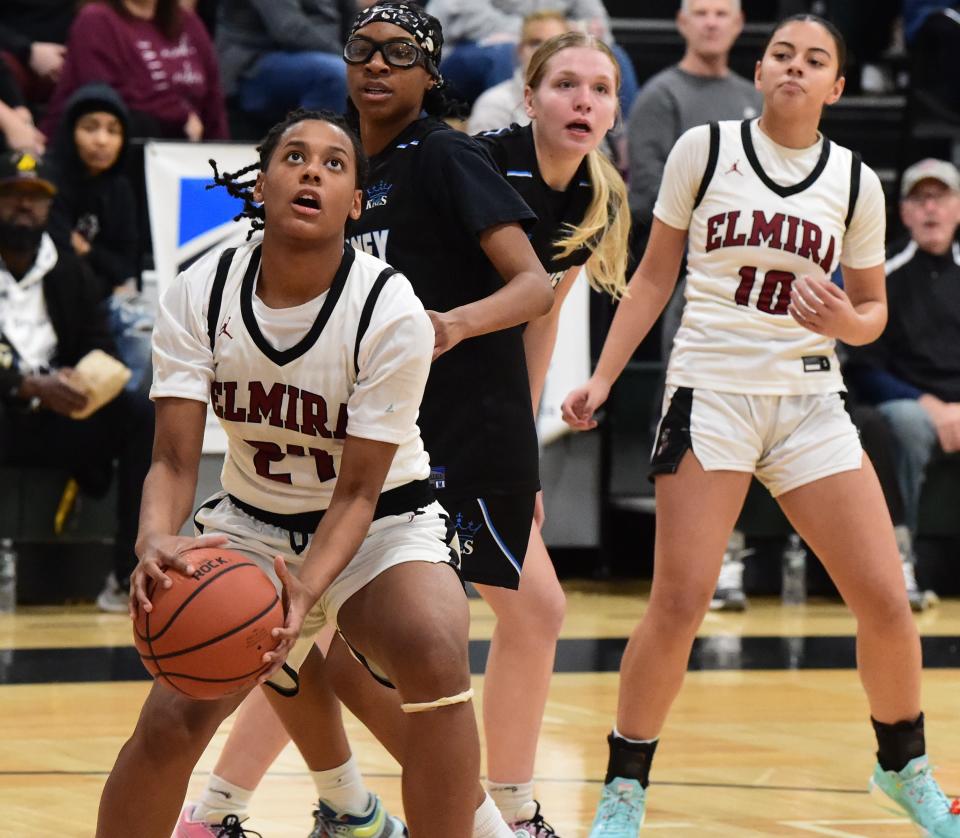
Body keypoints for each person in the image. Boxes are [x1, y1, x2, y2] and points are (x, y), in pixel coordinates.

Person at [561, 15, 960, 836]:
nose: (796, 67)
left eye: (816, 60)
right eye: (783, 53)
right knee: (679, 602)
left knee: (886, 598)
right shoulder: (703, 150)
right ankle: (624, 788)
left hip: (811, 402)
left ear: (836, 88)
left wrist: (849, 324)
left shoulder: (854, 180)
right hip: (713, 392)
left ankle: (903, 765)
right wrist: (600, 377)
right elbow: (652, 278)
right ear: (762, 66)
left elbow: (873, 311)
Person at [180, 4, 556, 837]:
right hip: (336, 440)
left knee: (413, 643)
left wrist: (451, 325)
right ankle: (322, 805)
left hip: (441, 432)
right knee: (295, 628)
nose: (376, 66)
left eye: (399, 53)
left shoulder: (447, 155)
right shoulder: (329, 158)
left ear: (432, 74)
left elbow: (536, 286)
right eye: (361, 50)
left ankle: (489, 813)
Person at [96, 108, 481, 838]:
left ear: (356, 204)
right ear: (261, 184)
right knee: (170, 724)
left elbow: (360, 491)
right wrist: (154, 538)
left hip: (383, 525)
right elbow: (175, 459)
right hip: (250, 520)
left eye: (336, 164)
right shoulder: (199, 292)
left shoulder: (387, 306)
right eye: (294, 158)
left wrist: (306, 589)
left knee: (434, 648)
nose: (313, 171)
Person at [625, 0, 762, 612]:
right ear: (682, 22)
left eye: (722, 11)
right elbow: (647, 192)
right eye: (700, 11)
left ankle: (729, 557)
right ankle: (687, 569)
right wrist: (728, 224)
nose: (711, 21)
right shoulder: (662, 96)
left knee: (762, 415)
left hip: (765, 286)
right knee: (691, 413)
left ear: (738, 24)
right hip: (695, 282)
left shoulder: (753, 95)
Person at [0, 150, 153, 620]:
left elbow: (100, 345)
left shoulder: (70, 272)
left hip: (60, 416)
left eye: (36, 198)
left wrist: (83, 380)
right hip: (6, 410)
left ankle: (128, 572)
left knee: (140, 417)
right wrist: (23, 385)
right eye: (13, 196)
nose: (25, 206)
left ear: (51, 209)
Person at [844, 157, 960, 609]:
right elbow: (864, 366)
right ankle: (901, 561)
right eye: (920, 199)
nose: (931, 209)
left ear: (957, 208)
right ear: (905, 212)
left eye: (941, 197)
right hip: (906, 400)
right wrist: (926, 402)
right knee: (907, 425)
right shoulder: (884, 273)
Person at [41, 0, 228, 142]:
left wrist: (222, 159)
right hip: (111, 155)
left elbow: (213, 99)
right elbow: (108, 95)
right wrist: (179, 115)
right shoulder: (95, 20)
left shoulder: (188, 23)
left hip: (179, 155)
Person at [428, 0, 639, 117]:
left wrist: (558, 34)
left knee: (612, 55)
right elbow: (464, 14)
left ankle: (621, 149)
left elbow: (596, 21)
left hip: (546, 36)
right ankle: (519, 131)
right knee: (507, 53)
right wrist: (546, 33)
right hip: (465, 49)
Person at [48, 83, 139, 299]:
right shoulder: (48, 179)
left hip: (100, 298)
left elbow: (126, 266)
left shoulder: (121, 188)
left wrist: (87, 250)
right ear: (71, 132)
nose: (102, 141)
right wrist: (105, 264)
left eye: (113, 130)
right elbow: (57, 256)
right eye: (90, 128)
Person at [216, 0, 357, 129]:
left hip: (325, 57)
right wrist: (348, 59)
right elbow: (290, 29)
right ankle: (313, 149)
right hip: (254, 62)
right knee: (336, 74)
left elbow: (353, 23)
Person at [467, 10, 569, 135]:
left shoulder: (580, 103)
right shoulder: (493, 105)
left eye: (554, 45)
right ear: (520, 50)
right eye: (536, 43)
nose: (544, 51)